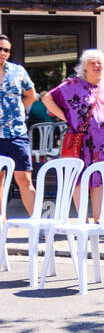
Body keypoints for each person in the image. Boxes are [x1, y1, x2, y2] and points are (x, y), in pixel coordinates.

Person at [42, 49, 104, 222]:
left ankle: (98, 218)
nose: (97, 65)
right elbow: (47, 98)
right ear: (84, 67)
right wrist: (67, 118)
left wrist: (101, 119)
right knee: (79, 178)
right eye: (93, 62)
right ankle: (82, 219)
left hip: (102, 142)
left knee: (98, 177)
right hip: (81, 140)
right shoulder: (72, 85)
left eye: (100, 62)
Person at [0, 33, 38, 217]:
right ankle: (1, 225)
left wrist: (18, 112)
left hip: (17, 133)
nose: (2, 52)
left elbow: (31, 95)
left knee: (24, 179)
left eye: (6, 49)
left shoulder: (18, 71)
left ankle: (37, 224)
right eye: (0, 48)